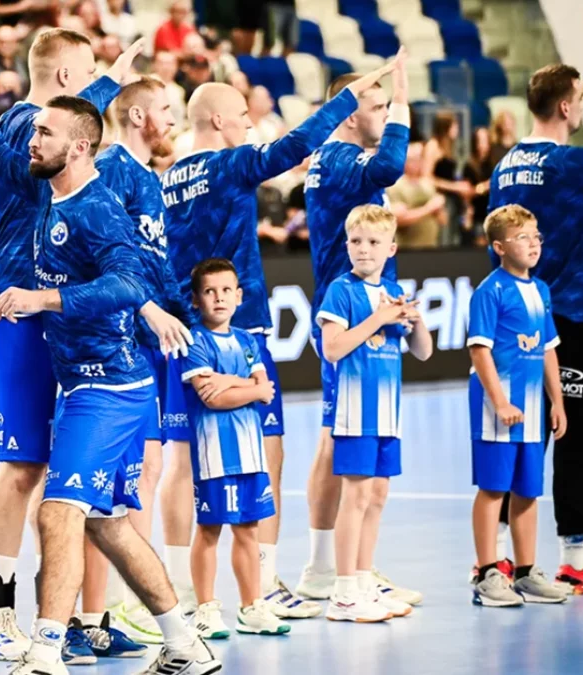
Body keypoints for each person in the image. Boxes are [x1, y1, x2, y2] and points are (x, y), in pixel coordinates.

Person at [0, 21, 214, 675]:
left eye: (50, 132)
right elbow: (5, 145)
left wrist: (127, 302)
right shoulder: (36, 143)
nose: (36, 138)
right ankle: (11, 618)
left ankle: (66, 634)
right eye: (92, 74)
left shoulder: (86, 191)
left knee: (75, 503)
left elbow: (124, 271)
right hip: (50, 339)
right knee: (66, 494)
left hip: (91, 359)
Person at [162, 55, 400, 623]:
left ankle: (181, 589)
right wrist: (347, 99)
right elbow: (293, 146)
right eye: (242, 115)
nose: (250, 123)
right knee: (266, 453)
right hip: (239, 330)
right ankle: (263, 583)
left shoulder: (166, 179)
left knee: (182, 460)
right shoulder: (230, 164)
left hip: (184, 330)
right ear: (217, 121)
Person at [0, 8, 146, 659]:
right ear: (66, 76)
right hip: (25, 307)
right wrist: (108, 85)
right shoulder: (25, 125)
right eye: (89, 74)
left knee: (81, 475)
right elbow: (3, 152)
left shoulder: (64, 134)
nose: (96, 86)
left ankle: (76, 618)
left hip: (69, 312)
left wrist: (109, 83)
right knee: (24, 463)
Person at [297, 63, 418, 605]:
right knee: (334, 441)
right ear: (348, 113)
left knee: (336, 440)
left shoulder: (340, 161)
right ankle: (326, 569)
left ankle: (351, 569)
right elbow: (392, 164)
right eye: (378, 107)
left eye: (389, 107)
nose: (385, 115)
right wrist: (406, 95)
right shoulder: (341, 158)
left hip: (367, 311)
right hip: (346, 314)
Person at [84, 76, 185, 650]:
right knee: (111, 485)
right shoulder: (113, 169)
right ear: (140, 115)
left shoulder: (148, 177)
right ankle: (100, 613)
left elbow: (154, 262)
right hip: (117, 345)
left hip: (150, 344)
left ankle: (119, 608)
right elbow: (100, 258)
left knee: (144, 473)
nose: (172, 119)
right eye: (165, 109)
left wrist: (180, 315)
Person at [487, 64, 583, 594]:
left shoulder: (505, 165)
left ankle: (498, 557)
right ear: (566, 107)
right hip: (571, 314)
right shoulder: (572, 164)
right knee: (575, 434)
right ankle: (575, 555)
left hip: (517, 317)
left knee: (519, 435)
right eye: (579, 99)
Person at [315, 204, 432, 622]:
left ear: (391, 248)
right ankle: (344, 593)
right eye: (356, 241)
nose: (364, 249)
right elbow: (332, 349)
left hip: (387, 415)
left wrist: (414, 321)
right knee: (357, 496)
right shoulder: (341, 290)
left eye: (373, 242)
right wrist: (379, 319)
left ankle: (365, 583)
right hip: (355, 413)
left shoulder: (393, 291)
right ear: (346, 245)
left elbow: (423, 352)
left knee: (377, 496)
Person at [181, 258, 289, 638]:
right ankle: (206, 609)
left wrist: (232, 382)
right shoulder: (195, 341)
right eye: (209, 291)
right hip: (215, 456)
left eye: (226, 290)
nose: (219, 298)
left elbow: (266, 389)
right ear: (196, 299)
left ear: (239, 296)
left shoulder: (247, 341)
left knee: (248, 529)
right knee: (209, 530)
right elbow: (212, 398)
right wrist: (249, 388)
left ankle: (251, 606)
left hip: (251, 455)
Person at [467, 204, 569, 607]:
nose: (533, 244)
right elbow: (480, 350)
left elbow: (548, 350)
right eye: (522, 237)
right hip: (498, 407)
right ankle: (487, 572)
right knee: (494, 488)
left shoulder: (541, 290)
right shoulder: (490, 291)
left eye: (536, 236)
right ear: (499, 247)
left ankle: (525, 572)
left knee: (527, 490)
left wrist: (557, 401)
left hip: (532, 409)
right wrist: (500, 401)